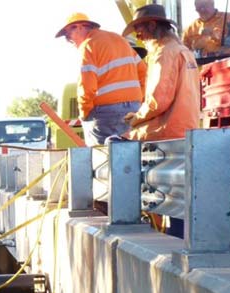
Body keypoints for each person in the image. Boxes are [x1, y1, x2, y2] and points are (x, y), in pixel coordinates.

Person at [122, 4, 201, 238]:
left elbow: (159, 100)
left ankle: (147, 230)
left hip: (166, 132)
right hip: (184, 130)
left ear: (152, 25)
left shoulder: (163, 53)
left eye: (140, 28)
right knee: (179, 196)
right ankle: (177, 237)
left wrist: (136, 119)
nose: (139, 35)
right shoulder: (183, 51)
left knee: (117, 146)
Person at [55, 11, 146, 146]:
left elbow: (86, 85)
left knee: (101, 154)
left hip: (106, 113)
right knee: (131, 151)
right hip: (133, 108)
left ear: (79, 27)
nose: (70, 41)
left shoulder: (88, 46)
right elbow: (144, 73)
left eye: (68, 36)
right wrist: (139, 101)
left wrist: (85, 113)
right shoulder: (120, 40)